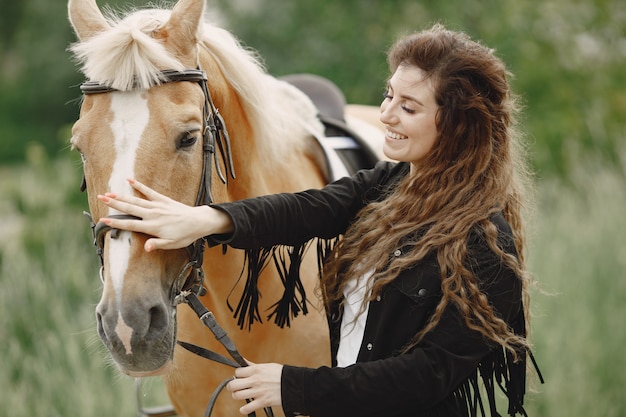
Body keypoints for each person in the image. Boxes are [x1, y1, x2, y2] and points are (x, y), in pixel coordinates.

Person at [98, 24, 541, 417]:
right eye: (388, 95)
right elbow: (309, 208)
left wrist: (292, 387)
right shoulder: (392, 182)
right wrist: (207, 220)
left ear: (457, 125)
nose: (386, 114)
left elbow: (427, 376)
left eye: (409, 107)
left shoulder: (485, 239)